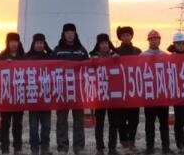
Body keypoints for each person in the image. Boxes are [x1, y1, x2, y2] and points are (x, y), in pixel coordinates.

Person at [52, 23, 89, 155]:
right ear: (63, 34)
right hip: (62, 91)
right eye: (67, 32)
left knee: (78, 120)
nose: (70, 34)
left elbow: (88, 67)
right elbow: (50, 68)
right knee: (61, 120)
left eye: (72, 32)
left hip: (78, 92)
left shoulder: (81, 50)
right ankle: (62, 147)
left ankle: (79, 147)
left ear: (75, 33)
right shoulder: (57, 50)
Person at [142, 30, 172, 155]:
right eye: (152, 39)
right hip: (149, 97)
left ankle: (166, 147)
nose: (154, 41)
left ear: (159, 40)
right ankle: (150, 148)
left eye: (156, 39)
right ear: (148, 41)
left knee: (164, 124)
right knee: (149, 124)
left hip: (162, 96)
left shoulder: (165, 56)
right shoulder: (142, 56)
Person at [91, 34, 119, 155]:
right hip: (99, 94)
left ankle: (112, 147)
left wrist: (117, 58)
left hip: (113, 94)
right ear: (98, 45)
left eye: (106, 43)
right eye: (102, 43)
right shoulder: (93, 57)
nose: (104, 45)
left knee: (114, 122)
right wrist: (93, 61)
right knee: (99, 123)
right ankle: (100, 148)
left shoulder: (115, 55)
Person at [25, 34, 53, 155]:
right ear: (34, 44)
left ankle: (45, 148)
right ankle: (34, 149)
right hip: (33, 96)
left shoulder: (49, 57)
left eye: (42, 43)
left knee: (47, 126)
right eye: (37, 43)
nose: (40, 45)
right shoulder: (27, 57)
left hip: (46, 96)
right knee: (33, 126)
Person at [115, 26, 142, 153]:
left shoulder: (137, 51)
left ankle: (132, 141)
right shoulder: (115, 52)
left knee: (134, 119)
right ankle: (124, 142)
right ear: (120, 37)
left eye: (128, 35)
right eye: (124, 35)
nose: (126, 37)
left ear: (131, 36)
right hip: (120, 89)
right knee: (121, 119)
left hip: (134, 90)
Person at [0, 32, 26, 155]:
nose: (13, 44)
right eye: (11, 42)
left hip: (19, 95)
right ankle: (4, 148)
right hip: (5, 95)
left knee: (17, 124)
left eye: (15, 42)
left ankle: (17, 147)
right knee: (5, 124)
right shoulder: (1, 57)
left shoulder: (23, 57)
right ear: (7, 43)